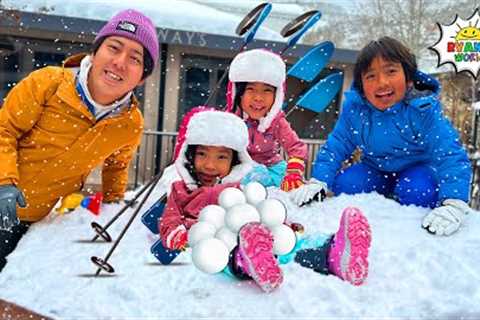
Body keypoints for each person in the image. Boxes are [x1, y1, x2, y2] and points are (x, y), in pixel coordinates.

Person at [0, 9, 159, 271]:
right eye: (114, 47)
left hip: (35, 221)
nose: (119, 62)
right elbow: (5, 130)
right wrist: (5, 182)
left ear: (142, 77)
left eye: (134, 58)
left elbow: (117, 167)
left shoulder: (130, 123)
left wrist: (112, 211)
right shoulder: (47, 84)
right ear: (95, 53)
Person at [159, 107, 372, 293]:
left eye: (221, 157)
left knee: (290, 245)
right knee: (219, 252)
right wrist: (179, 235)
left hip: (251, 233)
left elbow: (262, 211)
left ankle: (334, 253)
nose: (210, 165)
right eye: (202, 155)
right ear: (190, 156)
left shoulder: (239, 186)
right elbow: (168, 222)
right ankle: (247, 261)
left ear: (235, 160)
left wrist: (285, 226)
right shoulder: (180, 190)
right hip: (215, 239)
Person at [293, 36, 472, 236]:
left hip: (417, 168)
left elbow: (449, 153)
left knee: (418, 192)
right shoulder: (356, 110)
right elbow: (336, 146)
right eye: (370, 76)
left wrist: (453, 202)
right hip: (375, 169)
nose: (382, 82)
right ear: (361, 85)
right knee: (345, 185)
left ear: (409, 78)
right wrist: (319, 181)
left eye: (391, 71)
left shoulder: (422, 110)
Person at [225, 49, 308, 192]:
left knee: (292, 187)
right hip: (240, 168)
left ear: (277, 95)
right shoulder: (230, 120)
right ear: (238, 93)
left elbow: (296, 147)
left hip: (273, 169)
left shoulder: (277, 121)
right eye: (250, 89)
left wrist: (293, 173)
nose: (258, 97)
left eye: (267, 90)